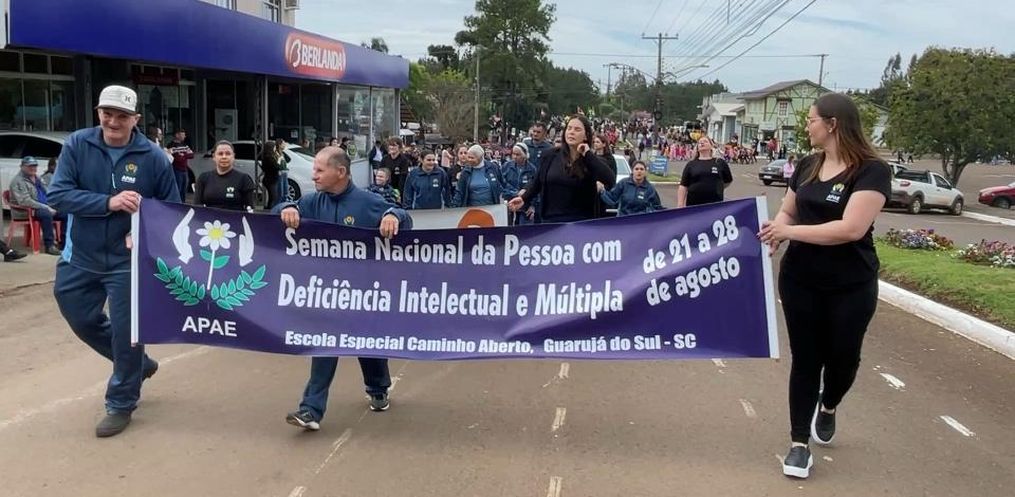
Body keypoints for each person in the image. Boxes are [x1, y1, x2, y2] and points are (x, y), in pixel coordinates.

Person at [757, 93, 892, 479]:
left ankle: (828, 403)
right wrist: (777, 231)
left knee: (844, 359)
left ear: (832, 124)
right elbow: (788, 210)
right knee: (806, 359)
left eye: (812, 119)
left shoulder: (871, 171)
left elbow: (851, 228)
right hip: (801, 280)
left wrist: (790, 231)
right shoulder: (807, 165)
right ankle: (799, 443)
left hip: (851, 284)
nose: (807, 125)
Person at [48, 85, 180, 437]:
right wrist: (109, 203)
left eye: (122, 116)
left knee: (127, 334)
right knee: (80, 318)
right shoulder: (78, 144)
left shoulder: (153, 157)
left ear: (135, 119)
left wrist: (145, 235)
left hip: (127, 261)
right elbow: (58, 195)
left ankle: (121, 402)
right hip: (80, 256)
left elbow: (171, 210)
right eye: (107, 113)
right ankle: (138, 366)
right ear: (98, 113)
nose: (113, 121)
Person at [277, 146, 411, 431]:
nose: (313, 175)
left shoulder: (368, 202)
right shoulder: (312, 202)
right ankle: (310, 409)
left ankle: (378, 388)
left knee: (368, 345)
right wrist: (287, 209)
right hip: (329, 294)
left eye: (319, 170)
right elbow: (280, 211)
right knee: (325, 345)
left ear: (340, 172)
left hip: (364, 292)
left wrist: (393, 216)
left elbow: (403, 217)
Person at [508, 116, 616, 223]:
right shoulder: (550, 155)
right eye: (569, 128)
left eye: (577, 129)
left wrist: (587, 154)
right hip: (551, 222)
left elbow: (610, 180)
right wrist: (524, 198)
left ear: (586, 136)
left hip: (581, 224)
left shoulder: (591, 161)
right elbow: (537, 181)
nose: (571, 132)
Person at [9, 156, 65, 255]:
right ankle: (49, 245)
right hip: (27, 210)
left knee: (65, 213)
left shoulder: (37, 178)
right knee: (46, 214)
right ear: (22, 167)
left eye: (34, 166)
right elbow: (25, 201)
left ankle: (64, 243)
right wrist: (46, 207)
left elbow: (48, 192)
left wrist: (56, 203)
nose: (33, 168)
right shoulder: (18, 181)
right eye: (30, 166)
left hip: (42, 206)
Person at [192, 141, 256, 212]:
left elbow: (249, 209)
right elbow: (197, 206)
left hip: (235, 218)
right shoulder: (203, 178)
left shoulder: (244, 179)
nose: (224, 157)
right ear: (214, 157)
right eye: (220, 154)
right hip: (208, 218)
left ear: (233, 156)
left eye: (228, 154)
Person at [677, 136, 733, 208]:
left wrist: (718, 188)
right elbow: (683, 186)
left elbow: (728, 181)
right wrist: (680, 204)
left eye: (705, 141)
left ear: (711, 146)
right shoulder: (691, 164)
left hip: (715, 205)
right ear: (697, 147)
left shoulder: (719, 162)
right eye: (700, 142)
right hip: (693, 205)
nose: (702, 143)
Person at [501, 143, 538, 225]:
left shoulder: (532, 169)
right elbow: (502, 183)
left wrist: (533, 206)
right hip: (509, 204)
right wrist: (515, 193)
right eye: (513, 154)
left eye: (518, 154)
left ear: (525, 155)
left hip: (526, 206)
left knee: (525, 230)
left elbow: (536, 187)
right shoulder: (506, 166)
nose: (515, 157)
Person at [168, 128, 194, 202]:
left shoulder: (185, 145)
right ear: (177, 135)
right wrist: (185, 154)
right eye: (183, 135)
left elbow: (192, 155)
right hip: (176, 170)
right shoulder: (171, 145)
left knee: (184, 189)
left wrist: (183, 155)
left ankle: (183, 204)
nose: (184, 136)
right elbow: (177, 158)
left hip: (185, 170)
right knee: (177, 189)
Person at [260, 141, 281, 208]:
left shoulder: (269, 157)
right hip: (270, 180)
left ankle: (268, 208)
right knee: (274, 197)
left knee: (272, 197)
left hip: (271, 179)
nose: (275, 148)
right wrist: (279, 160)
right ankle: (270, 209)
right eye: (274, 147)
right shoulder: (268, 158)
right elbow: (277, 167)